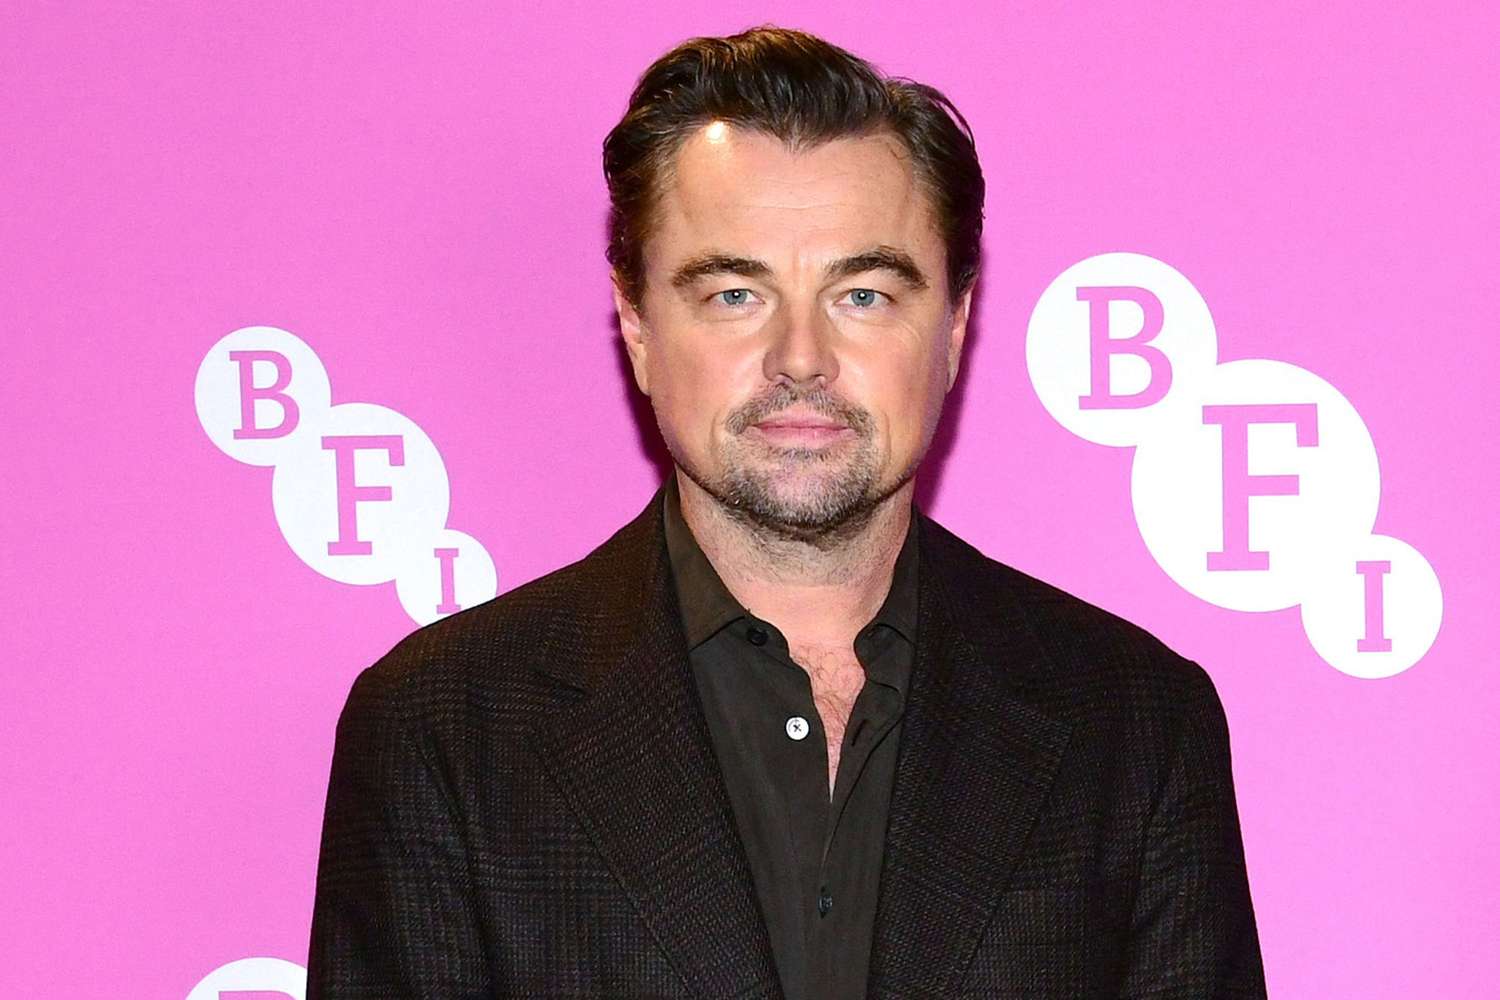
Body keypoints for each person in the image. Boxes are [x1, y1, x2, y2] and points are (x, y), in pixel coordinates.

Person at [306, 25, 1266, 999]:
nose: (800, 358)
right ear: (636, 325)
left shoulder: (1134, 725)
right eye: (735, 293)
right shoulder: (444, 731)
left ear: (954, 328)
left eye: (862, 294)